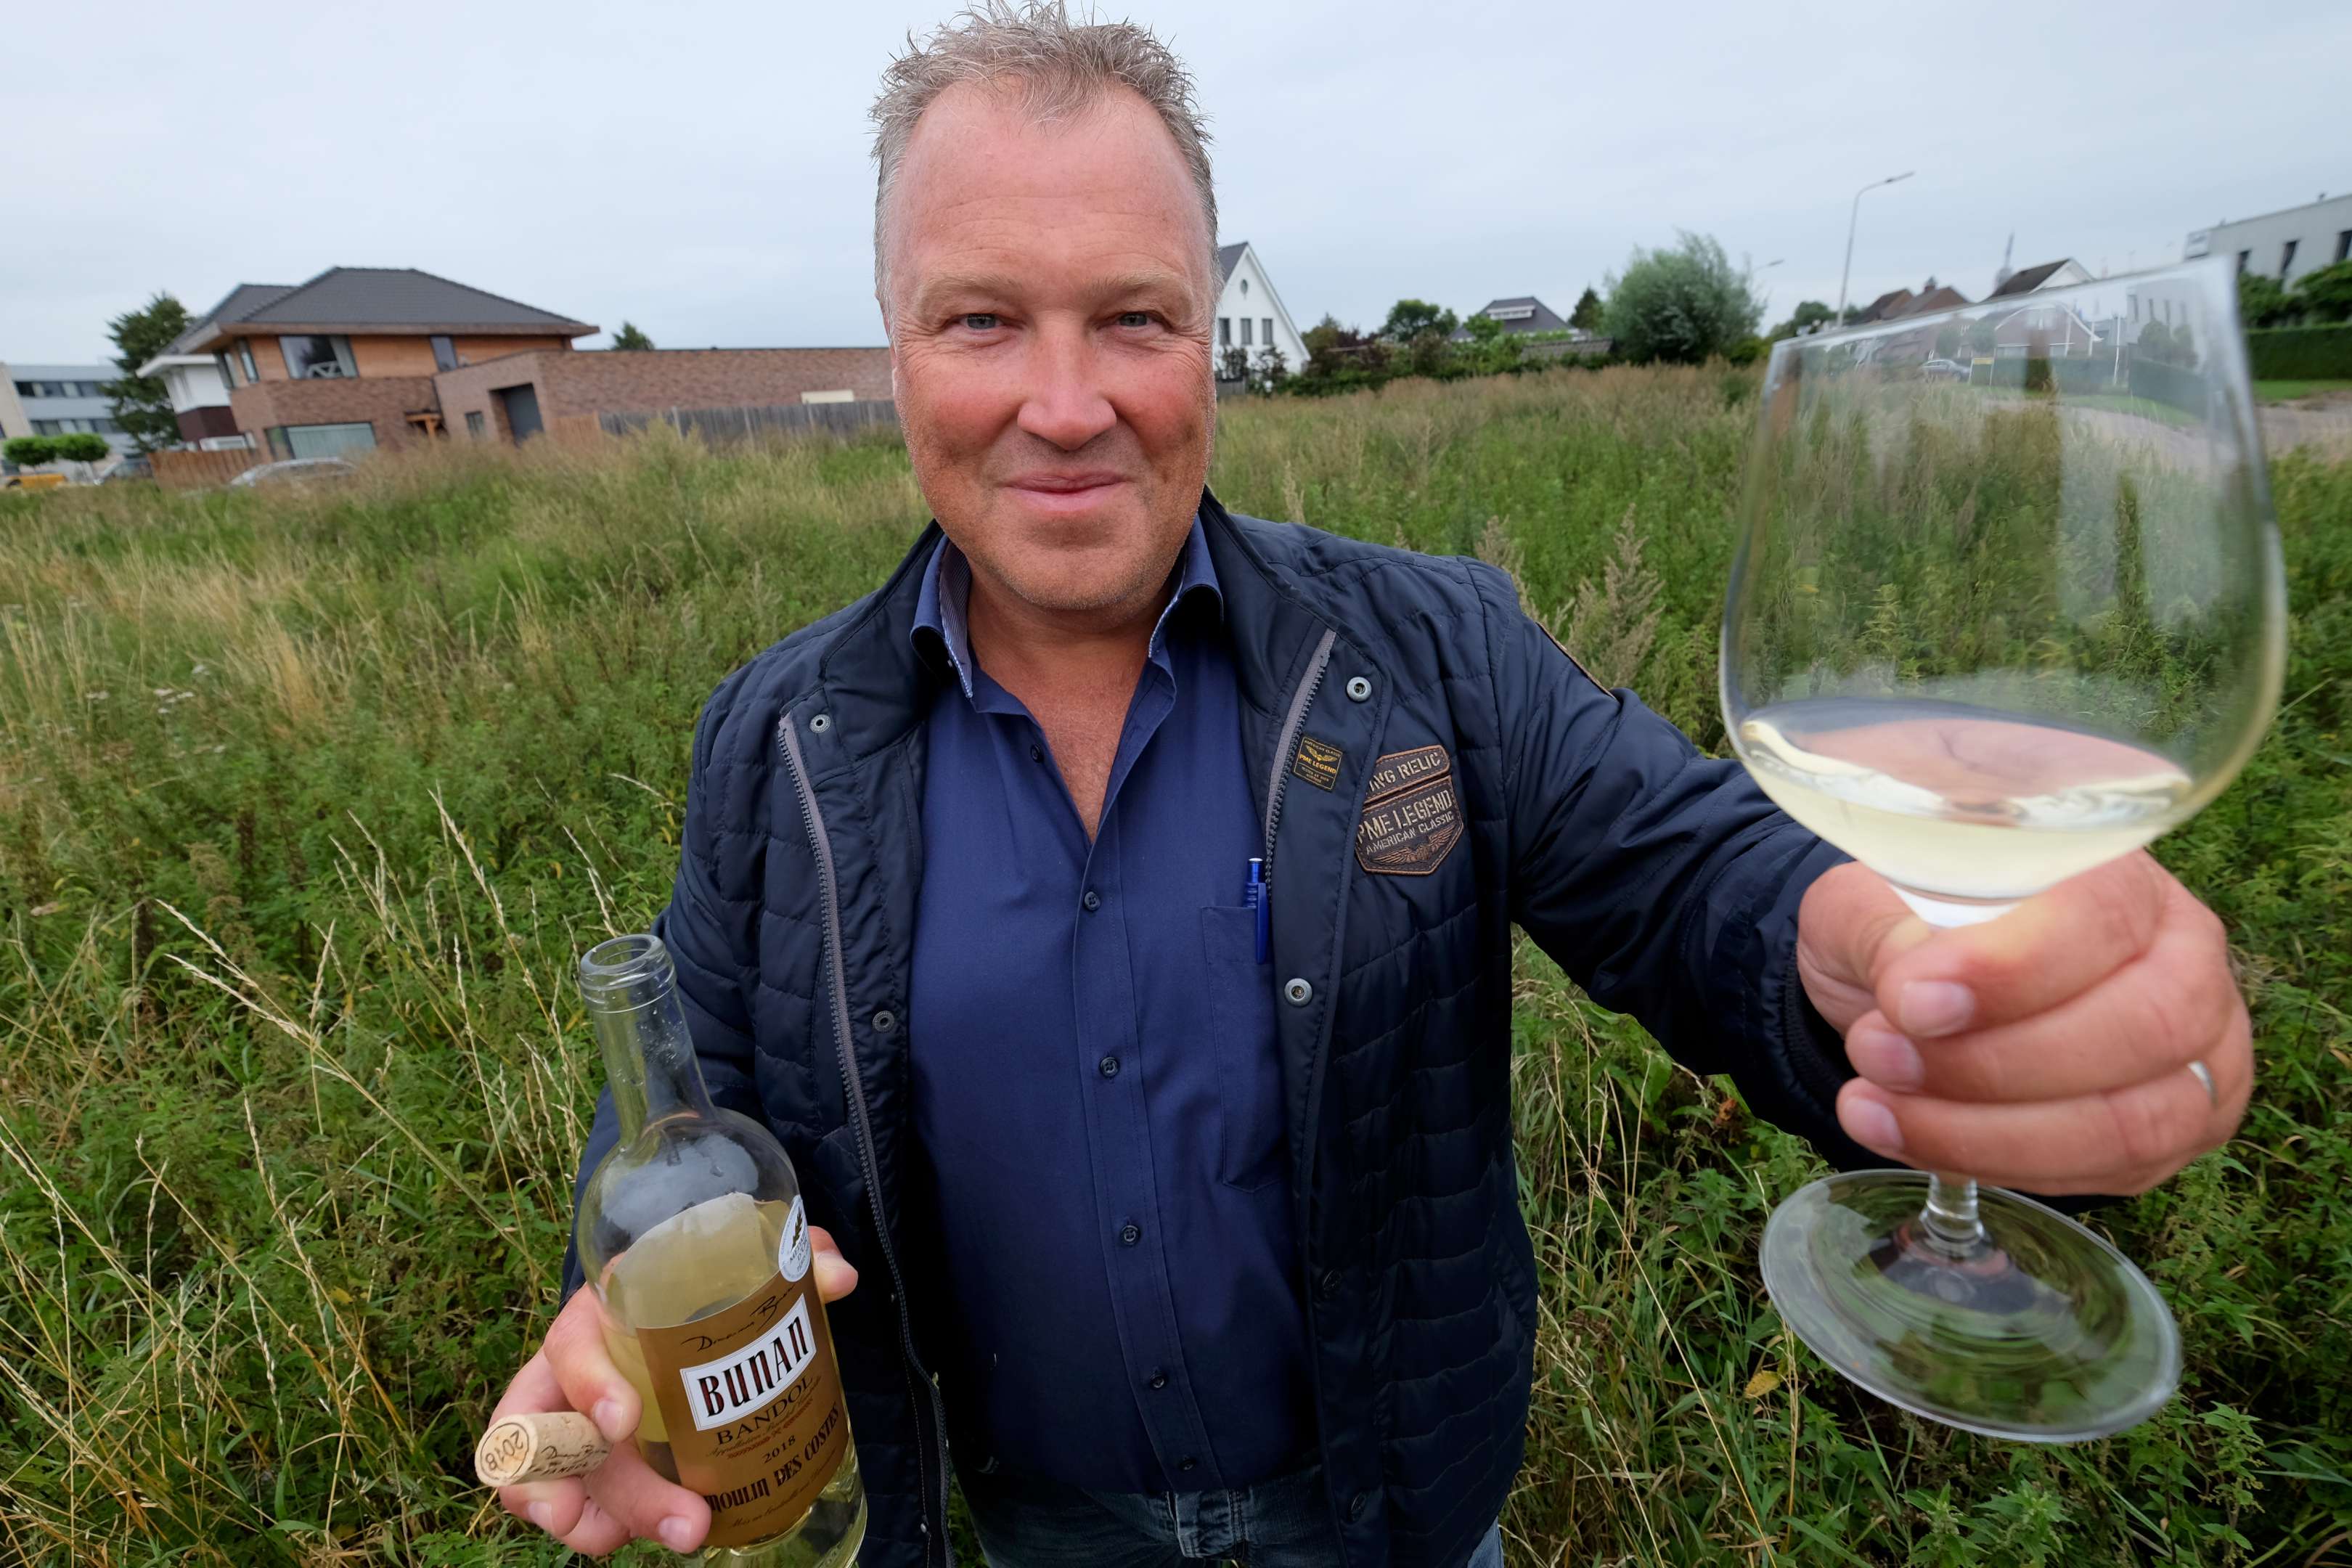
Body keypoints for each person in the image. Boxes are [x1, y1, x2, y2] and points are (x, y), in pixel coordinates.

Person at [489, 6, 2253, 1565]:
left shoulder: (1432, 651)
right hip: (997, 1526)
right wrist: (616, 1313)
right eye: (978, 321)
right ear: (893, 349)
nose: (1066, 400)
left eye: (1133, 317)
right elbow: (691, 1098)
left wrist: (1874, 955)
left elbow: (1689, 870)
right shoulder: (774, 739)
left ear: (1209, 338)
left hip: (1386, 1518)